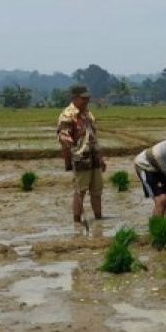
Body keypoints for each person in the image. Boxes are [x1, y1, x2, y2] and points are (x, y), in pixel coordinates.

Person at [57, 84, 107, 226]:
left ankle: (98, 219)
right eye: (83, 98)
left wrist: (100, 157)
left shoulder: (88, 115)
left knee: (97, 191)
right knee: (81, 191)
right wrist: (66, 141)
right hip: (80, 158)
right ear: (75, 98)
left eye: (87, 98)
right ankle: (77, 221)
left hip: (93, 157)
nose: (87, 101)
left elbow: (94, 138)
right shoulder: (67, 115)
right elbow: (63, 135)